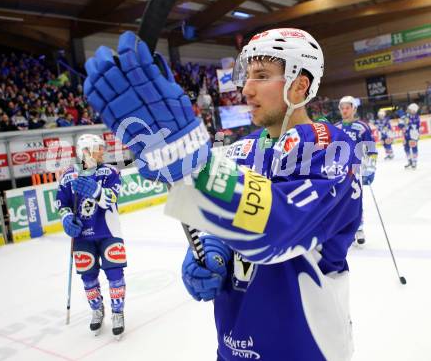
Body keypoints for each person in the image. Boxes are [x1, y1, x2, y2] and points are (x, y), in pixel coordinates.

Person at [83, 28, 367, 360]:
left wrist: (196, 166)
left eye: (261, 76)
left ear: (300, 84)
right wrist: (213, 247)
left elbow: (276, 229)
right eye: (247, 76)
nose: (246, 89)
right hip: (232, 346)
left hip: (307, 349)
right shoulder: (240, 151)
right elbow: (225, 219)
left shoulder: (332, 147)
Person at [55, 134, 126, 339]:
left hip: (109, 232)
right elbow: (62, 202)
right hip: (82, 236)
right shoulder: (69, 176)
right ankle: (97, 309)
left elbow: (113, 196)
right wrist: (67, 219)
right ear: (85, 151)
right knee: (88, 277)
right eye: (98, 148)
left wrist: (96, 191)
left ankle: (117, 312)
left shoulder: (111, 171)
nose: (102, 151)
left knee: (115, 274)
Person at [335, 96, 377, 245]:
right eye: (342, 108)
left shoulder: (362, 127)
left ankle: (359, 228)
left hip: (357, 169)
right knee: (341, 201)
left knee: (356, 198)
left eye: (348, 107)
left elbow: (371, 149)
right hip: (340, 171)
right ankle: (346, 229)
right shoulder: (336, 128)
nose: (345, 110)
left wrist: (370, 169)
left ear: (354, 109)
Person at [399, 103, 420, 169]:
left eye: (410, 109)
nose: (408, 110)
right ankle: (409, 161)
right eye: (409, 109)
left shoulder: (416, 117)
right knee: (406, 148)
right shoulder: (405, 116)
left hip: (413, 135)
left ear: (414, 111)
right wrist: (401, 121)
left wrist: (408, 122)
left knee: (414, 148)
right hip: (406, 135)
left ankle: (414, 161)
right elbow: (400, 126)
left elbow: (416, 125)